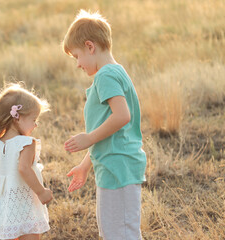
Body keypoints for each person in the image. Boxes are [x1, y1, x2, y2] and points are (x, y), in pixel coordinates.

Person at [62, 10, 147, 240]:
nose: (78, 64)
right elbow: (108, 131)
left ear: (90, 47)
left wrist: (87, 138)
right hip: (113, 166)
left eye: (77, 56)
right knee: (113, 231)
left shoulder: (106, 75)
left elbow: (122, 116)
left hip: (119, 167)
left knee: (121, 233)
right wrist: (84, 165)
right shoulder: (115, 72)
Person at [0, 84, 52, 240]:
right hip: (26, 206)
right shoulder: (26, 142)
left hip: (5, 208)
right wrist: (41, 192)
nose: (36, 124)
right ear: (17, 117)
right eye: (34, 119)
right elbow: (24, 169)